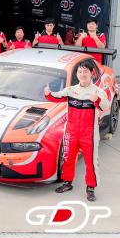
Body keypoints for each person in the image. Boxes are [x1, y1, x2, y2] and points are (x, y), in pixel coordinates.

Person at [44, 59, 110, 202]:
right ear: (77, 74)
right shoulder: (71, 90)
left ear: (92, 73)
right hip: (71, 131)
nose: (82, 74)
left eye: (85, 71)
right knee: (68, 158)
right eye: (80, 71)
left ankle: (90, 188)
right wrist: (48, 93)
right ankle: (67, 183)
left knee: (91, 162)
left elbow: (105, 106)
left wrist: (97, 100)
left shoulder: (98, 91)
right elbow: (56, 96)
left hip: (89, 134)